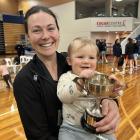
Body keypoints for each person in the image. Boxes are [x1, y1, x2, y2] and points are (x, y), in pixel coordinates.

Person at [13, 5, 120, 140]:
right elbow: (38, 136)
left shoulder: (74, 63)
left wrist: (111, 101)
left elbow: (101, 87)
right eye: (36, 30)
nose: (45, 36)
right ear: (28, 37)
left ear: (58, 31)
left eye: (51, 28)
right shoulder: (24, 81)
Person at [57, 37, 121, 140]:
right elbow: (64, 97)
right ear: (69, 61)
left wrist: (114, 88)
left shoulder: (99, 77)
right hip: (71, 128)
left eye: (91, 58)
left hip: (97, 126)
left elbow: (110, 96)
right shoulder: (66, 77)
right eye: (80, 57)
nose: (86, 61)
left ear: (97, 60)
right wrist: (80, 81)